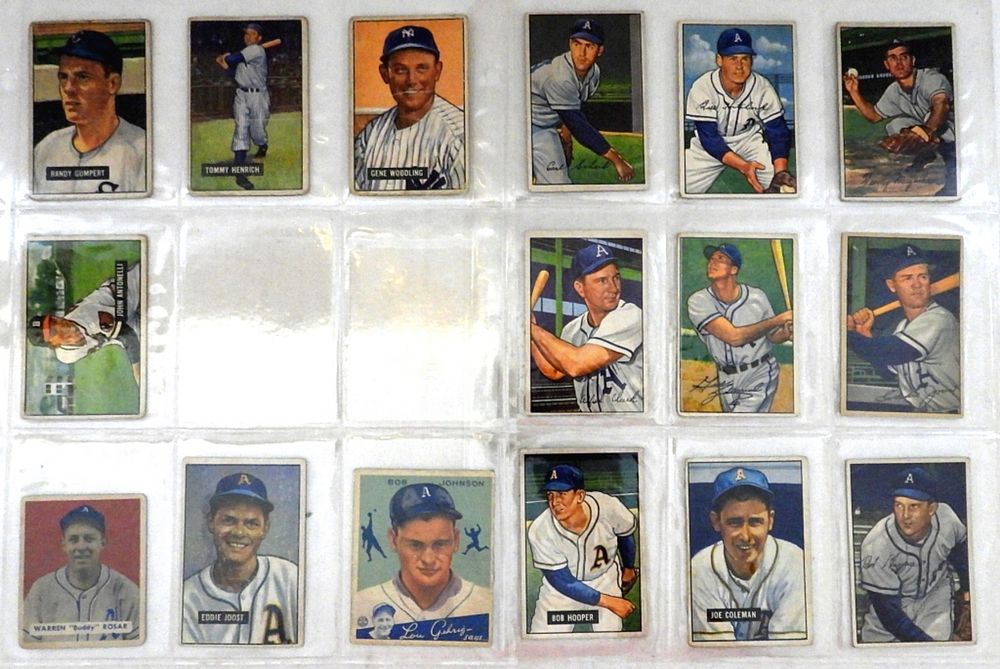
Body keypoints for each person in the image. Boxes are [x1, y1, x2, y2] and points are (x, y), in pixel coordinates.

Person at [352, 482, 490, 640]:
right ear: (393, 540)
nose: (428, 559)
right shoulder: (360, 604)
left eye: (440, 544)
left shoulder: (485, 604)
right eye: (415, 545)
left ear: (456, 541)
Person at [690, 466, 806, 641]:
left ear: (770, 520)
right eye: (734, 522)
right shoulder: (700, 567)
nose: (745, 536)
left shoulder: (794, 562)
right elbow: (716, 651)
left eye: (755, 522)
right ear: (716, 521)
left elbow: (790, 649)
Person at [182, 472, 298, 644]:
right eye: (228, 520)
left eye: (251, 523)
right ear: (211, 522)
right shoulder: (188, 597)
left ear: (265, 528)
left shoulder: (290, 579)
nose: (239, 532)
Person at [858, 466, 969, 642]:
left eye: (914, 506)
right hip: (886, 625)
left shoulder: (946, 518)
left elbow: (960, 555)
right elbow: (889, 613)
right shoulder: (876, 544)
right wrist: (928, 647)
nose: (905, 515)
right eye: (899, 505)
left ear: (931, 509)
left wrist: (967, 590)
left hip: (934, 602)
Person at [846, 243, 960, 413]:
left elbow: (893, 352)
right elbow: (887, 371)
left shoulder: (939, 320)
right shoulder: (903, 327)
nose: (917, 284)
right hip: (924, 414)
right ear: (892, 285)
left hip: (953, 415)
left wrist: (845, 333)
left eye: (922, 277)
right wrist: (865, 334)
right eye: (907, 278)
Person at [530, 242, 643, 412]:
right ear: (580, 288)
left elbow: (576, 364)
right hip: (590, 423)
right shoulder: (572, 329)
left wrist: (531, 329)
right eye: (602, 280)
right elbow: (554, 370)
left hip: (630, 422)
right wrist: (530, 331)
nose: (614, 288)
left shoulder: (631, 316)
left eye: (616, 278)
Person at [527, 464, 638, 633]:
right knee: (541, 638)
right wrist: (610, 602)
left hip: (604, 579)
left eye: (562, 494)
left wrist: (628, 568)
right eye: (550, 494)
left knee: (610, 637)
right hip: (559, 592)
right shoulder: (540, 530)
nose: (554, 502)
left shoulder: (608, 506)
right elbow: (563, 581)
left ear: (579, 496)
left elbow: (625, 534)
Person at [33, 29, 146, 195]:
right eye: (63, 77)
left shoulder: (142, 150)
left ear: (113, 83)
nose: (68, 88)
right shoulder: (47, 148)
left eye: (82, 77)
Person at [354, 24, 465, 191]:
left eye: (422, 68)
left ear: (437, 71)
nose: (412, 80)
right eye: (401, 70)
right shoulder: (370, 134)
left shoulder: (457, 136)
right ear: (385, 74)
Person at [684, 28, 794, 194]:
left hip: (748, 141)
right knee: (680, 185)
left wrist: (781, 172)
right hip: (707, 149)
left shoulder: (762, 87)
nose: (739, 66)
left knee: (784, 189)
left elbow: (777, 131)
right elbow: (709, 138)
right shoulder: (703, 87)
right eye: (732, 58)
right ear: (719, 60)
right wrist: (743, 166)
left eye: (745, 58)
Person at [842, 38, 956, 196]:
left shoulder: (931, 78)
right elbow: (873, 116)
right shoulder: (894, 90)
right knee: (895, 125)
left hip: (956, 130)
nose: (899, 62)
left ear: (912, 60)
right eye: (893, 58)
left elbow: (941, 105)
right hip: (932, 133)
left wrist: (925, 132)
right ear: (887, 65)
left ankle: (952, 178)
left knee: (931, 120)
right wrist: (854, 92)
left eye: (904, 57)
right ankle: (926, 153)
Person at [686, 243, 793, 412]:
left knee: (738, 422)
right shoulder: (699, 300)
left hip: (758, 373)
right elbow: (734, 337)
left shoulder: (757, 297)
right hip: (725, 377)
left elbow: (773, 336)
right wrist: (779, 319)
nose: (712, 263)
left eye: (720, 259)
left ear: (734, 269)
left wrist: (786, 332)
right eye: (711, 259)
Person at [529, 18, 634, 185]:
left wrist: (566, 138)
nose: (581, 53)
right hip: (516, 122)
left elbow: (572, 110)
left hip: (541, 127)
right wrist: (617, 160)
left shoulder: (593, 73)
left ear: (600, 50)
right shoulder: (559, 76)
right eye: (577, 44)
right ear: (570, 44)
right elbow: (578, 125)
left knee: (558, 184)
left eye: (589, 46)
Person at [22, 505, 140, 644]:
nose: (81, 547)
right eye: (73, 539)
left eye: (89, 539)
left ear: (103, 542)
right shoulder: (41, 590)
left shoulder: (126, 590)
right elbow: (27, 646)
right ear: (64, 544)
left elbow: (140, 649)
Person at [26, 261, 141, 385]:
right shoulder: (66, 356)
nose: (59, 324)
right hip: (127, 324)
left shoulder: (84, 317)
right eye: (53, 330)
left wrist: (137, 369)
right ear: (54, 344)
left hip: (130, 291)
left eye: (53, 320)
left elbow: (127, 336)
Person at [216, 22, 271, 190]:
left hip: (258, 96)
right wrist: (224, 65)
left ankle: (262, 144)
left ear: (259, 38)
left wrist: (225, 57)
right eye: (246, 33)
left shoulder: (256, 50)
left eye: (252, 34)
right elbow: (234, 74)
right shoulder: (245, 54)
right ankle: (240, 175)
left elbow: (232, 59)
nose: (248, 36)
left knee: (257, 132)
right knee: (241, 131)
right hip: (241, 94)